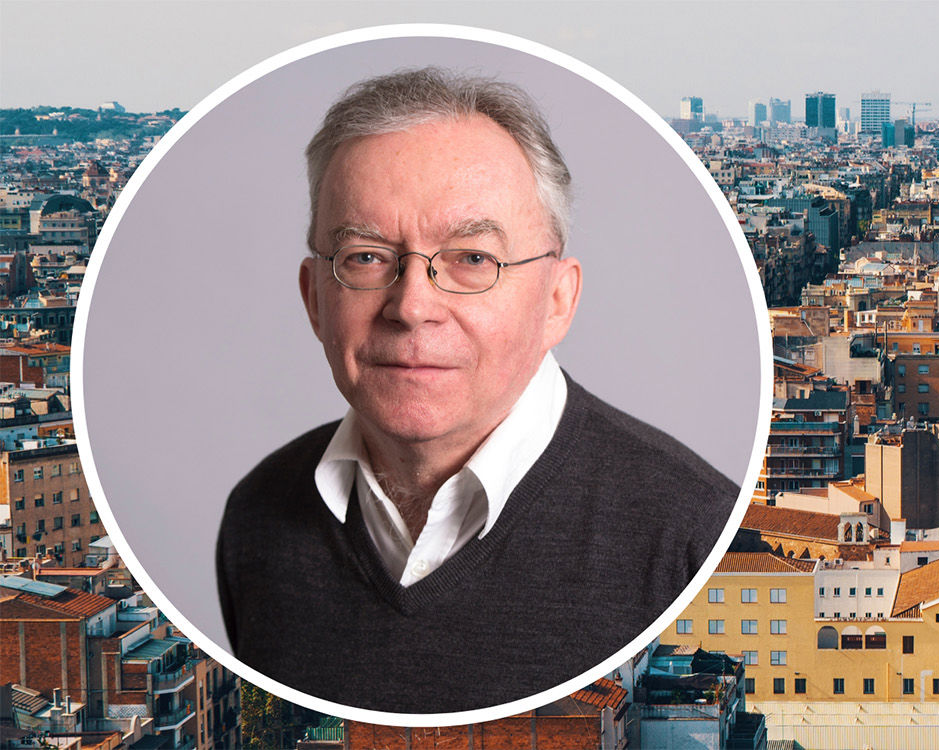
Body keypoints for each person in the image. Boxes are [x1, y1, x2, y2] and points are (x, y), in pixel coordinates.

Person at [215, 67, 739, 714]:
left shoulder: (693, 535)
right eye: (366, 258)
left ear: (557, 300)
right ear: (314, 300)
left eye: (471, 259)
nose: (412, 306)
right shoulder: (257, 519)